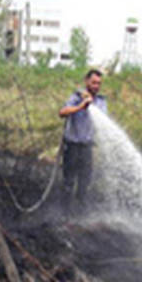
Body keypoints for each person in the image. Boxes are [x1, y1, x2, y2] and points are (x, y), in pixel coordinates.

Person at [57, 68, 106, 214]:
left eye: (99, 83)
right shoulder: (76, 97)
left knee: (85, 182)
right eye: (93, 83)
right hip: (72, 146)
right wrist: (80, 106)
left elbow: (103, 119)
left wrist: (91, 104)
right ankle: (65, 214)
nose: (96, 86)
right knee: (69, 181)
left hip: (87, 147)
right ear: (86, 81)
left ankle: (80, 214)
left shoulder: (101, 101)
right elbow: (62, 112)